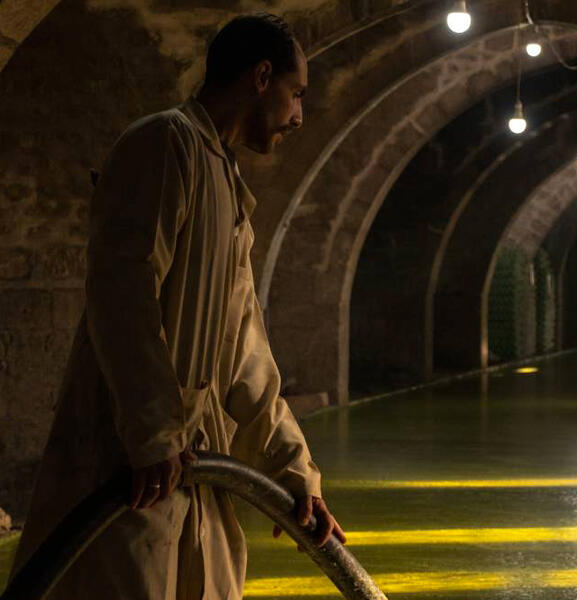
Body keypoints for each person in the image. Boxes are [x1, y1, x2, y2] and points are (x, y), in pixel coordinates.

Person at [10, 13, 345, 600]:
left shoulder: (227, 184)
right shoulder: (164, 146)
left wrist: (295, 476)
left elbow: (246, 357)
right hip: (131, 468)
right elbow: (124, 292)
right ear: (262, 77)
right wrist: (153, 434)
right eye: (296, 94)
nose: (299, 116)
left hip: (193, 462)